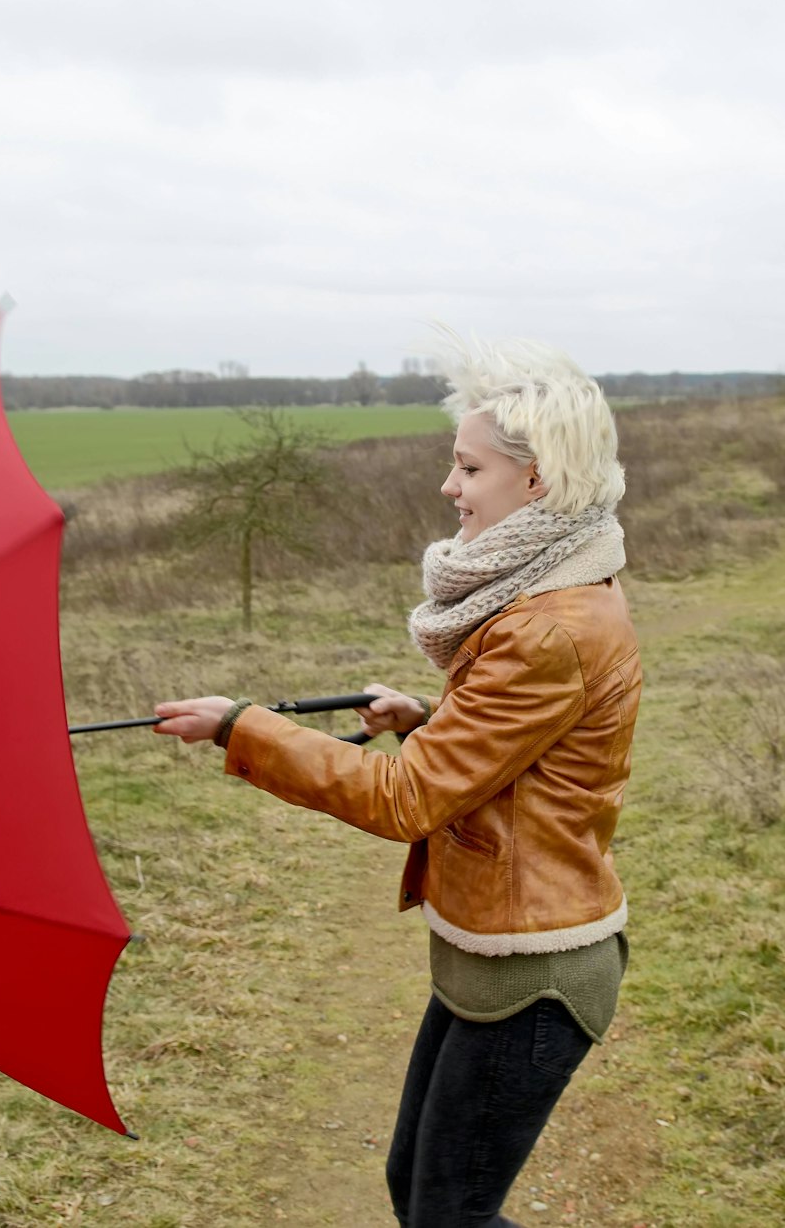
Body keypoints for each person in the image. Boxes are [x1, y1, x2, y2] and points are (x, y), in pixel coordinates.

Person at [153, 332, 640, 1228]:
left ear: (536, 481)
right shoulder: (547, 591)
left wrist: (240, 726)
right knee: (418, 1188)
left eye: (468, 466)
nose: (449, 486)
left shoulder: (546, 626)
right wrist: (428, 719)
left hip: (533, 975)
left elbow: (406, 798)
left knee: (447, 1214)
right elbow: (519, 753)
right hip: (496, 948)